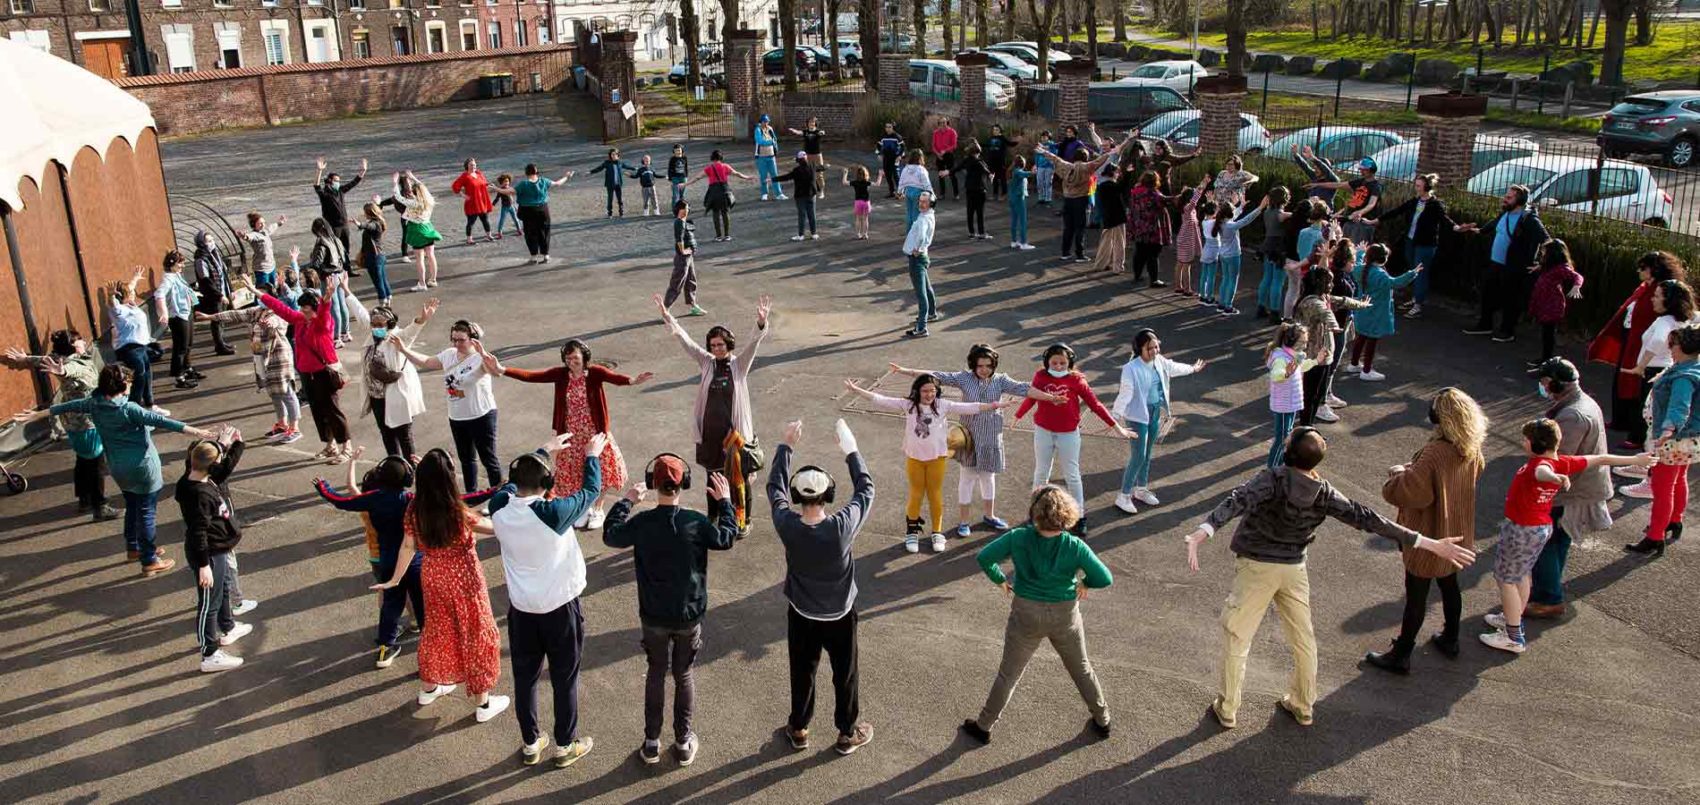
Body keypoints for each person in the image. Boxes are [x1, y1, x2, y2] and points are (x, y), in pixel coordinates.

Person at [1184, 427, 1477, 728]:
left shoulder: (1272, 479)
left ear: (1289, 452)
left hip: (1257, 568)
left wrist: (1203, 532)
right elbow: (1368, 518)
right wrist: (1428, 543)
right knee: (1303, 640)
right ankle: (1302, 704)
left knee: (1238, 637)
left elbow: (1238, 500)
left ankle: (1228, 707)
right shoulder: (1323, 492)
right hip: (1294, 570)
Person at [14, 364, 218, 574]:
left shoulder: (94, 404)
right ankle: (149, 560)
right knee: (147, 512)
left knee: (132, 506)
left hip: (118, 468)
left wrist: (38, 415)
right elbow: (162, 421)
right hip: (143, 467)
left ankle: (134, 548)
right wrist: (198, 432)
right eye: (128, 384)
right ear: (122, 386)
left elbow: (66, 406)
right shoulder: (129, 409)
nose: (130, 388)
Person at [602, 455, 740, 766]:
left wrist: (626, 501)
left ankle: (651, 742)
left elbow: (611, 534)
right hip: (688, 615)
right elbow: (726, 538)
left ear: (652, 484)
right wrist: (726, 503)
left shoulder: (641, 523)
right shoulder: (696, 523)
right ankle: (682, 742)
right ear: (684, 484)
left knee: (655, 673)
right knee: (684, 674)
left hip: (652, 616)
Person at [487, 432, 608, 767]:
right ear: (548, 482)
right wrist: (592, 455)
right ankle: (565, 744)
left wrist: (542, 451)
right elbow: (590, 491)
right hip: (559, 609)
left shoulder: (499, 507)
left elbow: (511, 487)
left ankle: (530, 742)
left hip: (522, 610)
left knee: (525, 679)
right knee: (564, 678)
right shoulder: (553, 514)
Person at [1482, 420, 1652, 654]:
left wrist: (1554, 478)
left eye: (1525, 439)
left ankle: (1512, 636)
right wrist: (1635, 460)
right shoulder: (1563, 462)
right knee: (1522, 575)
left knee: (1507, 580)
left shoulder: (1540, 466)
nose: (1523, 443)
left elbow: (1543, 473)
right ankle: (1512, 618)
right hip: (1540, 528)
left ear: (1535, 444)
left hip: (1522, 530)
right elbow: (1601, 459)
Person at [961, 486, 1113, 745]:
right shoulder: (1074, 545)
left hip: (1026, 613)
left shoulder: (1018, 537)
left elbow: (985, 557)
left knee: (1008, 674)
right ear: (1066, 515)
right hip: (1065, 615)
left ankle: (984, 725)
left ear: (1035, 513)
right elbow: (1104, 577)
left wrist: (1000, 580)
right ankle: (1102, 718)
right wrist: (1085, 583)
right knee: (1081, 668)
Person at [315, 449, 494, 669]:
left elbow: (340, 500)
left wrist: (323, 487)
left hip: (387, 560)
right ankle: (430, 647)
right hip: (416, 561)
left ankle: (385, 648)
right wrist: (494, 491)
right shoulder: (411, 500)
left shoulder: (372, 499)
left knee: (391, 604)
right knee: (423, 605)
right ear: (408, 479)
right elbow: (459, 500)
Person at [372, 450, 511, 723]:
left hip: (433, 576)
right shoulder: (457, 512)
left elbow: (408, 545)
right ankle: (483, 704)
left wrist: (395, 579)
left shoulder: (414, 509)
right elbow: (492, 527)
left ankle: (430, 687)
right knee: (476, 632)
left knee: (435, 631)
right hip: (464, 579)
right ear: (449, 479)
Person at [768, 418, 876, 756]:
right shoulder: (842, 527)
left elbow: (774, 489)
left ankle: (799, 728)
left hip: (801, 613)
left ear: (798, 496)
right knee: (845, 674)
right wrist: (851, 450)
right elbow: (866, 490)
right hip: (841, 615)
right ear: (828, 493)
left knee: (802, 673)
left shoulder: (787, 523)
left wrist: (786, 445)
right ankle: (846, 733)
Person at [1364, 388, 1488, 673]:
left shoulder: (1435, 451)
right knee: (1449, 585)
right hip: (1456, 530)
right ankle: (1451, 638)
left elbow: (1413, 494)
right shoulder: (1470, 446)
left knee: (1416, 596)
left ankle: (1402, 654)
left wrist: (1398, 475)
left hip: (1430, 533)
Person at [888, 347, 1061, 538]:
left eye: (988, 365)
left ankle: (990, 515)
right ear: (973, 364)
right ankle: (964, 522)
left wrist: (1051, 398)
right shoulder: (964, 378)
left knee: (988, 477)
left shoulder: (1001, 380)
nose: (984, 369)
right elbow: (936, 376)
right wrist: (905, 370)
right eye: (980, 366)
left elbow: (1024, 389)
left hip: (991, 436)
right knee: (967, 478)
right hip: (969, 437)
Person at [487, 338, 654, 529]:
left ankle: (598, 509)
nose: (570, 362)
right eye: (567, 358)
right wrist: (502, 369)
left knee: (603, 471)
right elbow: (532, 376)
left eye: (574, 357)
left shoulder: (595, 373)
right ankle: (583, 509)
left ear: (584, 356)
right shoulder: (561, 375)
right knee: (573, 473)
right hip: (570, 434)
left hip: (594, 434)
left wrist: (632, 380)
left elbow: (613, 378)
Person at [843, 375, 1009, 553]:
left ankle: (937, 533)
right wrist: (856, 390)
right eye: (925, 391)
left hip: (936, 459)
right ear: (917, 391)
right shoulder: (908, 405)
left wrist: (994, 405)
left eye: (932, 390)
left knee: (934, 495)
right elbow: (881, 400)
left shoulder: (943, 405)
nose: (929, 394)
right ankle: (912, 532)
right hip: (914, 458)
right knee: (916, 495)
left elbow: (971, 407)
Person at [655, 294, 771, 534]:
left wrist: (760, 323)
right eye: (713, 345)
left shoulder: (739, 365)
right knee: (712, 478)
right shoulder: (706, 362)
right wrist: (669, 318)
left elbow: (754, 344)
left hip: (734, 436)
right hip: (710, 433)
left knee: (739, 480)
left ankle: (743, 521)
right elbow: (686, 341)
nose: (717, 348)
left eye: (721, 345)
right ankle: (714, 517)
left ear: (729, 345)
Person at [1014, 343, 1139, 538]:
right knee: (1041, 472)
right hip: (1043, 431)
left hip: (1068, 434)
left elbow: (1095, 404)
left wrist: (1118, 427)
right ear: (1047, 361)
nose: (1057, 366)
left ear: (1070, 362)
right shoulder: (1040, 377)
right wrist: (1018, 415)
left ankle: (1079, 517)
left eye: (1062, 363)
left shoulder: (1076, 380)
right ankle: (1035, 514)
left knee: (1072, 475)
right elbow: (1032, 397)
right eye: (1054, 362)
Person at [1526, 358, 1613, 618]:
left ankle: (1549, 598)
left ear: (1556, 383)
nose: (1542, 386)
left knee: (1544, 542)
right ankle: (1547, 589)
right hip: (1579, 487)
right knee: (1557, 541)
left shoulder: (1572, 416)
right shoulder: (1579, 404)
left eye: (1544, 382)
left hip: (1570, 491)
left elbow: (1558, 458)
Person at [1, 330, 116, 520]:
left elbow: (43, 359)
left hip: (72, 422)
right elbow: (71, 370)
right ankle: (100, 506)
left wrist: (24, 359)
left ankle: (85, 500)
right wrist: (62, 372)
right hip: (87, 424)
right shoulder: (72, 364)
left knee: (84, 461)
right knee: (96, 465)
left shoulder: (61, 358)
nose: (83, 342)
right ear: (72, 345)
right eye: (79, 340)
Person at [1589, 251, 1687, 447]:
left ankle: (1637, 436)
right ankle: (1623, 422)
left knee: (1642, 396)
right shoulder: (1648, 289)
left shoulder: (1661, 302)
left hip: (1647, 352)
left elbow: (1659, 337)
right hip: (1637, 343)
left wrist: (1641, 363)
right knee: (1627, 385)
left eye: (1643, 267)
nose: (1639, 271)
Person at [392, 320, 503, 492]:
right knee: (466, 459)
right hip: (457, 417)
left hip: (481, 415)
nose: (457, 344)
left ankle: (499, 498)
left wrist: (484, 356)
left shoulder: (479, 358)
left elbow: (496, 373)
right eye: (454, 339)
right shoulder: (449, 354)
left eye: (461, 340)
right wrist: (403, 349)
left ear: (473, 339)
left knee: (489, 459)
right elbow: (427, 362)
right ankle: (470, 497)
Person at [178, 428, 253, 673]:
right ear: (210, 466)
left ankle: (228, 626)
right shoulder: (199, 494)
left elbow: (222, 467)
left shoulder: (194, 477)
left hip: (216, 550)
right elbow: (199, 532)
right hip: (208, 554)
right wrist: (203, 566)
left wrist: (230, 446)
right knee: (208, 603)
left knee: (221, 594)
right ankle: (209, 654)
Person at [258, 276, 352, 463]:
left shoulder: (323, 324)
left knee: (333, 411)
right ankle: (330, 445)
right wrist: (258, 294)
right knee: (318, 411)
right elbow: (282, 309)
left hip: (323, 373)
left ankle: (346, 447)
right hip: (307, 374)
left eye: (306, 309)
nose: (302, 312)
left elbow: (324, 315)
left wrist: (327, 299)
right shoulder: (301, 320)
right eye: (302, 309)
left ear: (314, 309)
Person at [1111, 328, 1205, 514]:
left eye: (1156, 347)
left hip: (1154, 414)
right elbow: (1125, 394)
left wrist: (1193, 368)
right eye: (1150, 348)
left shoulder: (1159, 361)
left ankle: (1141, 489)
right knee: (1138, 455)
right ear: (1139, 349)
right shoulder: (1131, 369)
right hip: (1137, 417)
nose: (1154, 351)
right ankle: (1123, 495)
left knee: (1147, 453)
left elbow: (1174, 367)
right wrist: (1114, 418)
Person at [1627, 324, 1700, 558]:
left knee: (1662, 487)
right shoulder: (1691, 367)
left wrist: (1668, 430)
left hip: (1674, 441)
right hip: (1688, 441)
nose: (1670, 349)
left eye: (1673, 345)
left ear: (1684, 347)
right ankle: (1674, 521)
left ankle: (1655, 536)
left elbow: (1680, 406)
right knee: (1679, 480)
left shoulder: (1684, 376)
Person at [203, 277, 303, 445]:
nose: (260, 298)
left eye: (263, 295)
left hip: (279, 357)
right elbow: (235, 314)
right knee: (273, 392)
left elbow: (277, 323)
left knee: (286, 391)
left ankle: (295, 427)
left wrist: (270, 324)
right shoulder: (256, 311)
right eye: (258, 295)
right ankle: (282, 424)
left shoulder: (279, 311)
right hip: (262, 358)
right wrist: (211, 317)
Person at [1618, 280, 1700, 467]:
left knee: (1652, 417)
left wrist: (1640, 366)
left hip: (1655, 370)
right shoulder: (1685, 319)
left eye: (1657, 296)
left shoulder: (1664, 321)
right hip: (1667, 367)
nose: (1653, 299)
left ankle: (1647, 466)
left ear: (1669, 300)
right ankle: (1648, 463)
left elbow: (1657, 341)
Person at [1361, 173, 1462, 319]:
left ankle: (1418, 304)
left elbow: (1444, 219)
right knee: (1412, 270)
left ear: (1426, 187)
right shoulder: (1415, 201)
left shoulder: (1435, 205)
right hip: (1411, 240)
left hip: (1426, 244)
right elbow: (1397, 211)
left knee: (1420, 272)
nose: (1416, 188)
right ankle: (1415, 298)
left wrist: (1456, 227)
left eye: (1418, 186)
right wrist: (1376, 220)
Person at [1459, 184, 1550, 343]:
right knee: (1487, 293)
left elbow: (1547, 240)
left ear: (1520, 200)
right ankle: (1485, 324)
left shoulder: (1529, 220)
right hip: (1496, 263)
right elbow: (1491, 226)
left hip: (1514, 267)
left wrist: (1543, 263)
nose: (1505, 199)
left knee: (1510, 299)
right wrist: (1475, 230)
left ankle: (1507, 331)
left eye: (1509, 197)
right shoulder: (1505, 214)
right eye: (1506, 196)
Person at [349, 295, 435, 459]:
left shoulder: (396, 337)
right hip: (377, 397)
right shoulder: (371, 337)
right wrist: (346, 291)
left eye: (380, 325)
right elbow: (361, 314)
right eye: (373, 324)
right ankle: (394, 466)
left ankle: (411, 467)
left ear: (389, 324)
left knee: (403, 434)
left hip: (396, 396)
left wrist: (421, 319)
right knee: (386, 433)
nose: (375, 328)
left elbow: (410, 332)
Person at [1294, 266, 1368, 426]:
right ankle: (1305, 428)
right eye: (1329, 282)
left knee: (1317, 395)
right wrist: (1334, 325)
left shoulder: (1322, 297)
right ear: (1321, 283)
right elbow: (1326, 313)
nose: (1332, 284)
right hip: (1314, 357)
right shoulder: (1312, 302)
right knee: (1310, 396)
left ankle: (1309, 427)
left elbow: (1342, 301)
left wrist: (1362, 304)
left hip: (1324, 356)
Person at [1344, 243, 1423, 381]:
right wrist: (1413, 273)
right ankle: (1367, 370)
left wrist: (1361, 252)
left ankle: (1354, 363)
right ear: (1382, 259)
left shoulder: (1360, 270)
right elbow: (1396, 283)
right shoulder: (1380, 274)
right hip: (1376, 313)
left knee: (1361, 338)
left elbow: (1357, 264)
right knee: (1372, 341)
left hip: (1362, 311)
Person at [1036, 134, 1118, 263]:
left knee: (1068, 228)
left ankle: (1065, 252)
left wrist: (1044, 151)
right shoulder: (1086, 167)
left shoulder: (1067, 166)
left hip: (1068, 200)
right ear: (1085, 158)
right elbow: (1099, 161)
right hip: (1081, 200)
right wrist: (1111, 153)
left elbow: (1056, 159)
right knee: (1080, 228)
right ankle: (1080, 254)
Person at [1264, 321, 1322, 469]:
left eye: (1306, 341)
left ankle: (1279, 465)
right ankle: (1272, 470)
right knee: (1282, 439)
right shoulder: (1281, 358)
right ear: (1291, 341)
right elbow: (1276, 375)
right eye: (1302, 342)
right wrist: (1286, 373)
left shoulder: (1293, 356)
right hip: (1284, 405)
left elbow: (1302, 367)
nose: (1305, 345)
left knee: (1286, 434)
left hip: (1290, 403)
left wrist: (1316, 361)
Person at [107, 268, 163, 414]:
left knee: (147, 376)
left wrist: (135, 278)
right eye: (131, 293)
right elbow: (113, 303)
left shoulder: (131, 305)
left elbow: (129, 288)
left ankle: (150, 405)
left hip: (141, 348)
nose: (134, 293)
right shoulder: (119, 310)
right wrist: (111, 295)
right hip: (129, 350)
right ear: (123, 296)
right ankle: (134, 410)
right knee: (138, 380)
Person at [1527, 239, 1585, 365]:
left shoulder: (1560, 268)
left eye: (1545, 253)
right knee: (1545, 332)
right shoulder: (1549, 266)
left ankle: (1547, 359)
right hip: (1544, 303)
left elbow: (1577, 276)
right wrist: (1539, 267)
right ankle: (1545, 358)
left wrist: (1576, 286)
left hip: (1552, 305)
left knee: (1548, 334)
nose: (1542, 255)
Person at [1202, 201, 1261, 315]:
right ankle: (1228, 306)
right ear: (1229, 214)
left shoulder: (1220, 223)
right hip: (1233, 255)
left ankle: (1222, 303)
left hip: (1223, 254)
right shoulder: (1231, 226)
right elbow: (1246, 220)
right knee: (1232, 280)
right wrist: (1259, 208)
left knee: (1225, 279)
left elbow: (1234, 215)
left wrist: (1241, 206)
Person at [154, 249, 201, 390]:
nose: (183, 266)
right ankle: (179, 377)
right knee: (180, 347)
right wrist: (163, 313)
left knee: (188, 344)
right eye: (180, 263)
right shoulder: (168, 278)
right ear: (172, 264)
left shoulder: (176, 275)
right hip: (178, 316)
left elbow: (183, 290)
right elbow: (159, 295)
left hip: (186, 313)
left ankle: (188, 369)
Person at [1305, 157, 1380, 244]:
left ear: (1371, 170)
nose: (1361, 171)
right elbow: (1338, 185)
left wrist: (1360, 212)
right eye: (1361, 169)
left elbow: (1372, 204)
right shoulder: (1360, 181)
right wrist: (1317, 185)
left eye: (1364, 170)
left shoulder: (1376, 186)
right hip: (1350, 219)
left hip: (1362, 222)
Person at [304, 217, 353, 344]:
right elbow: (345, 257)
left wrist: (305, 268)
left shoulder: (321, 242)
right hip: (340, 273)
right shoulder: (336, 239)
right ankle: (345, 332)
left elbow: (317, 263)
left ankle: (336, 338)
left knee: (333, 306)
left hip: (329, 276)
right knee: (343, 304)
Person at [392, 171, 443, 290]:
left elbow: (398, 197)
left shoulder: (413, 203)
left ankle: (422, 283)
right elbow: (423, 188)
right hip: (428, 227)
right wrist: (414, 178)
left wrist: (394, 183)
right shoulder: (429, 200)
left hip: (416, 229)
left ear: (415, 193)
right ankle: (433, 279)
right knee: (431, 255)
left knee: (419, 258)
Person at [514, 163, 575, 264]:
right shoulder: (543, 181)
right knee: (544, 232)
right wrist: (566, 176)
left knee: (530, 233)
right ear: (536, 172)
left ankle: (533, 257)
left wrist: (496, 189)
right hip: (542, 210)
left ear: (526, 173)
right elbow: (558, 183)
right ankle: (546, 255)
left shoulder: (523, 184)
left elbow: (510, 191)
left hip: (528, 211)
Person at [684, 151, 748, 242]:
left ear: (712, 158)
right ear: (721, 158)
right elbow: (737, 174)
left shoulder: (709, 168)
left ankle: (718, 236)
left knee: (715, 214)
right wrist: (747, 177)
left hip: (714, 192)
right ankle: (727, 235)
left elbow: (697, 178)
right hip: (724, 191)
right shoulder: (725, 166)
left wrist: (685, 184)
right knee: (725, 213)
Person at [1126, 169, 1175, 287]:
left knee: (1139, 252)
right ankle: (1154, 280)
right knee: (1153, 254)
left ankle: (1137, 275)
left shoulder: (1135, 191)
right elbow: (1167, 200)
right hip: (1153, 228)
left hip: (1138, 226)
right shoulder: (1154, 194)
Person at [191, 231, 237, 355]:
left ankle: (221, 341)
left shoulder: (215, 254)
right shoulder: (201, 260)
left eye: (212, 240)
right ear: (202, 244)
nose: (212, 243)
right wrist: (219, 295)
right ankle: (219, 346)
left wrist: (230, 290)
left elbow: (224, 273)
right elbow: (206, 281)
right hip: (213, 295)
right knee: (216, 320)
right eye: (208, 241)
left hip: (222, 291)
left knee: (221, 319)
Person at [314, 156, 367, 260]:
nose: (338, 183)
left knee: (346, 248)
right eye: (336, 181)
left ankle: (348, 269)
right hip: (333, 227)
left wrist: (363, 171)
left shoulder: (341, 191)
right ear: (330, 181)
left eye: (339, 181)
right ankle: (337, 269)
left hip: (344, 225)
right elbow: (316, 185)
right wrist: (319, 171)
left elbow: (354, 182)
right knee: (335, 248)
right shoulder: (324, 194)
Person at [1254, 186, 1294, 321]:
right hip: (1278, 249)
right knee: (1278, 281)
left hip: (1266, 246)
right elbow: (1297, 215)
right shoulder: (1281, 214)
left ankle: (1261, 307)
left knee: (1266, 278)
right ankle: (1275, 311)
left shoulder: (1267, 212)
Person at [902, 191, 937, 338]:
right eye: (920, 201)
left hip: (917, 258)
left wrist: (917, 248)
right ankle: (932, 313)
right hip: (923, 256)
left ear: (930, 204)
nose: (921, 203)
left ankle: (922, 327)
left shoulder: (923, 219)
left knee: (921, 293)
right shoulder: (928, 215)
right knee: (927, 288)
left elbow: (922, 236)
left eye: (924, 201)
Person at [666, 200, 708, 316]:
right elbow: (678, 239)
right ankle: (665, 309)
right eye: (686, 208)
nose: (688, 210)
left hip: (689, 257)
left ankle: (693, 305)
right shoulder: (679, 222)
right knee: (677, 283)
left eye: (688, 208)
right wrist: (683, 250)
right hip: (682, 258)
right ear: (680, 210)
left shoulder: (685, 222)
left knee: (691, 280)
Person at [1170, 174, 1209, 297]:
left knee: (1180, 263)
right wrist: (1203, 185)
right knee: (1186, 265)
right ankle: (1187, 289)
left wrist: (1201, 185)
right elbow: (1195, 198)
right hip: (1187, 239)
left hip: (1184, 238)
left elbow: (1193, 196)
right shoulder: (1188, 208)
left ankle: (1178, 286)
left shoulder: (1184, 207)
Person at [1090, 164, 1131, 273]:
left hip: (1107, 218)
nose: (1118, 175)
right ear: (1113, 173)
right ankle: (1118, 267)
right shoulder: (1113, 186)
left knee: (1105, 242)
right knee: (1119, 243)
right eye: (1117, 172)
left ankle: (1100, 264)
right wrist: (1128, 173)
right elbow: (1123, 186)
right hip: (1117, 218)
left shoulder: (1102, 186)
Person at [772, 152, 819, 240]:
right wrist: (827, 166)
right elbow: (820, 168)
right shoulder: (812, 166)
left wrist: (772, 179)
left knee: (802, 215)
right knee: (812, 214)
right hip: (811, 194)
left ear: (798, 161)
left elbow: (786, 177)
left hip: (800, 196)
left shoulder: (797, 170)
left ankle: (801, 235)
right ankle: (814, 233)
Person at [450, 157, 495, 244]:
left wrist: (488, 186)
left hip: (481, 201)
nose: (473, 166)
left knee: (485, 219)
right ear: (467, 166)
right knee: (471, 221)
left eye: (474, 164)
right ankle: (469, 239)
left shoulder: (479, 173)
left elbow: (484, 183)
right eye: (471, 165)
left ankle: (489, 235)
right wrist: (463, 195)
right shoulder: (465, 176)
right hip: (472, 203)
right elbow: (455, 186)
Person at [357, 202, 393, 306]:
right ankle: (388, 297)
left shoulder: (374, 224)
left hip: (373, 256)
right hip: (380, 255)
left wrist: (360, 224)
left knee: (378, 281)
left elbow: (368, 226)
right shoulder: (379, 222)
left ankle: (383, 301)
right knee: (383, 278)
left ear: (369, 213)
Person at [787, 117, 829, 199]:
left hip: (817, 155)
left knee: (819, 174)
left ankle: (821, 192)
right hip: (808, 155)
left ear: (815, 123)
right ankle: (812, 191)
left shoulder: (818, 132)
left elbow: (822, 132)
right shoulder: (805, 132)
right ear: (807, 124)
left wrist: (822, 133)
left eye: (813, 122)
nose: (811, 124)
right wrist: (794, 131)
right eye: (810, 122)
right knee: (809, 174)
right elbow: (799, 132)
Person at [958, 143, 992, 240]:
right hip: (979, 189)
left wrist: (948, 172)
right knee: (979, 212)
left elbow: (957, 168)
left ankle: (971, 232)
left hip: (969, 188)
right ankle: (981, 233)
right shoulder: (978, 162)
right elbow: (986, 170)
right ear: (977, 152)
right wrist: (990, 175)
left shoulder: (966, 161)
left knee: (970, 211)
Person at [244, 211, 286, 287]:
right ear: (254, 225)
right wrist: (244, 236)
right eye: (260, 223)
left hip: (271, 266)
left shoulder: (265, 232)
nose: (263, 225)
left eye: (264, 222)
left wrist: (280, 222)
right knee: (262, 291)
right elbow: (249, 237)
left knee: (272, 289)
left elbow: (272, 227)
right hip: (262, 269)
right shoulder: (255, 235)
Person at [589, 147, 631, 218]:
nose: (613, 156)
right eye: (612, 154)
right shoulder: (607, 163)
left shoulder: (620, 163)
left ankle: (621, 213)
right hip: (610, 184)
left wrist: (636, 168)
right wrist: (590, 172)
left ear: (618, 155)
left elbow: (627, 167)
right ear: (610, 155)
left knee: (620, 199)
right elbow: (599, 168)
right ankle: (610, 214)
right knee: (610, 199)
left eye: (615, 154)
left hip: (618, 184)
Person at [897, 149, 931, 229]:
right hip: (918, 193)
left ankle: (909, 232)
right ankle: (915, 234)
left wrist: (900, 191)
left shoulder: (906, 169)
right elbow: (926, 183)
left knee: (909, 213)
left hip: (908, 192)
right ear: (920, 158)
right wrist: (931, 193)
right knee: (917, 214)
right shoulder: (921, 170)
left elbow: (901, 181)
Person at [1007, 156, 1036, 250]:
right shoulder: (1017, 172)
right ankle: (1023, 242)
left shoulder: (1012, 171)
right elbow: (1025, 174)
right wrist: (1033, 171)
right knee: (1023, 221)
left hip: (1012, 198)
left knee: (1014, 221)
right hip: (1019, 198)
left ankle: (1014, 241)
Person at [753, 116, 784, 201]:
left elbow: (775, 139)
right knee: (763, 176)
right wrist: (771, 142)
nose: (766, 124)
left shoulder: (770, 128)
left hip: (771, 155)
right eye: (765, 122)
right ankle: (764, 194)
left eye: (767, 122)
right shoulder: (757, 130)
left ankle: (779, 194)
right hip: (761, 156)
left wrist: (775, 148)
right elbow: (760, 141)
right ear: (761, 122)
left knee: (775, 175)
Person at [930, 116, 959, 201]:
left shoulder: (952, 132)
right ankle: (942, 194)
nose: (942, 124)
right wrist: (937, 154)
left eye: (944, 122)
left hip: (949, 155)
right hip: (939, 156)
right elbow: (933, 146)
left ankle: (956, 194)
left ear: (947, 123)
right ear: (938, 124)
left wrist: (945, 151)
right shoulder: (936, 132)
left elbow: (954, 145)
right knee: (940, 175)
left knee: (952, 174)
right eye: (941, 123)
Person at [984, 124, 1015, 200]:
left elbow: (1010, 144)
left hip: (1000, 161)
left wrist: (1019, 142)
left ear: (1000, 130)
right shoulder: (991, 138)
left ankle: (1004, 194)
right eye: (994, 129)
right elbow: (987, 146)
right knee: (994, 178)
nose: (995, 131)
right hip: (992, 161)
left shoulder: (1002, 138)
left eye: (997, 130)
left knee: (1002, 178)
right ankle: (995, 194)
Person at [843, 166, 874, 241]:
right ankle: (865, 234)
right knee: (865, 219)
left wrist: (845, 173)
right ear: (866, 174)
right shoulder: (867, 183)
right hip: (866, 202)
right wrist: (880, 175)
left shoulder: (855, 183)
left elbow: (844, 182)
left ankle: (858, 234)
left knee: (858, 219)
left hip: (858, 202)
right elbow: (877, 183)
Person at [875, 122, 905, 198]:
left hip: (895, 158)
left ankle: (900, 192)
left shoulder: (897, 137)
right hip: (886, 158)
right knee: (888, 175)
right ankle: (892, 192)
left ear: (893, 128)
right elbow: (878, 146)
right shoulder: (883, 136)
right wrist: (879, 154)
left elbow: (903, 147)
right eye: (886, 127)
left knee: (896, 175)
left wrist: (900, 156)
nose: (887, 129)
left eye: (889, 127)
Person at [492, 173, 522, 238]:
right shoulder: (500, 190)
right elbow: (497, 198)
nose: (506, 183)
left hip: (512, 206)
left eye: (507, 181)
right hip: (504, 207)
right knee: (502, 220)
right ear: (501, 182)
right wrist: (492, 205)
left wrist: (515, 205)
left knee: (516, 219)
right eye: (505, 181)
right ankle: (499, 233)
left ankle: (519, 230)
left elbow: (512, 197)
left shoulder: (510, 188)